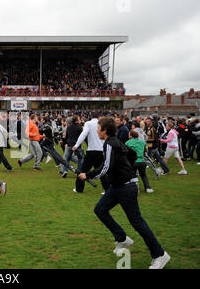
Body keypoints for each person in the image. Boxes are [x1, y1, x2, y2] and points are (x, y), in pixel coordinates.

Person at [78, 117, 170, 269]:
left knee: (137, 222)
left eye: (98, 127)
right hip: (117, 187)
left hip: (126, 188)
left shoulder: (110, 143)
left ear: (105, 130)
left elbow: (105, 168)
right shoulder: (116, 142)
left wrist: (86, 175)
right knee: (100, 210)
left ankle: (160, 254)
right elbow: (131, 155)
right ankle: (122, 238)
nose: (96, 130)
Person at [73, 112, 109, 193]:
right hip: (101, 151)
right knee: (101, 171)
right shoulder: (102, 124)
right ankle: (107, 190)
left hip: (92, 151)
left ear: (91, 117)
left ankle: (79, 189)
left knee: (83, 170)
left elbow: (83, 134)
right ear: (99, 116)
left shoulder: (88, 123)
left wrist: (77, 144)